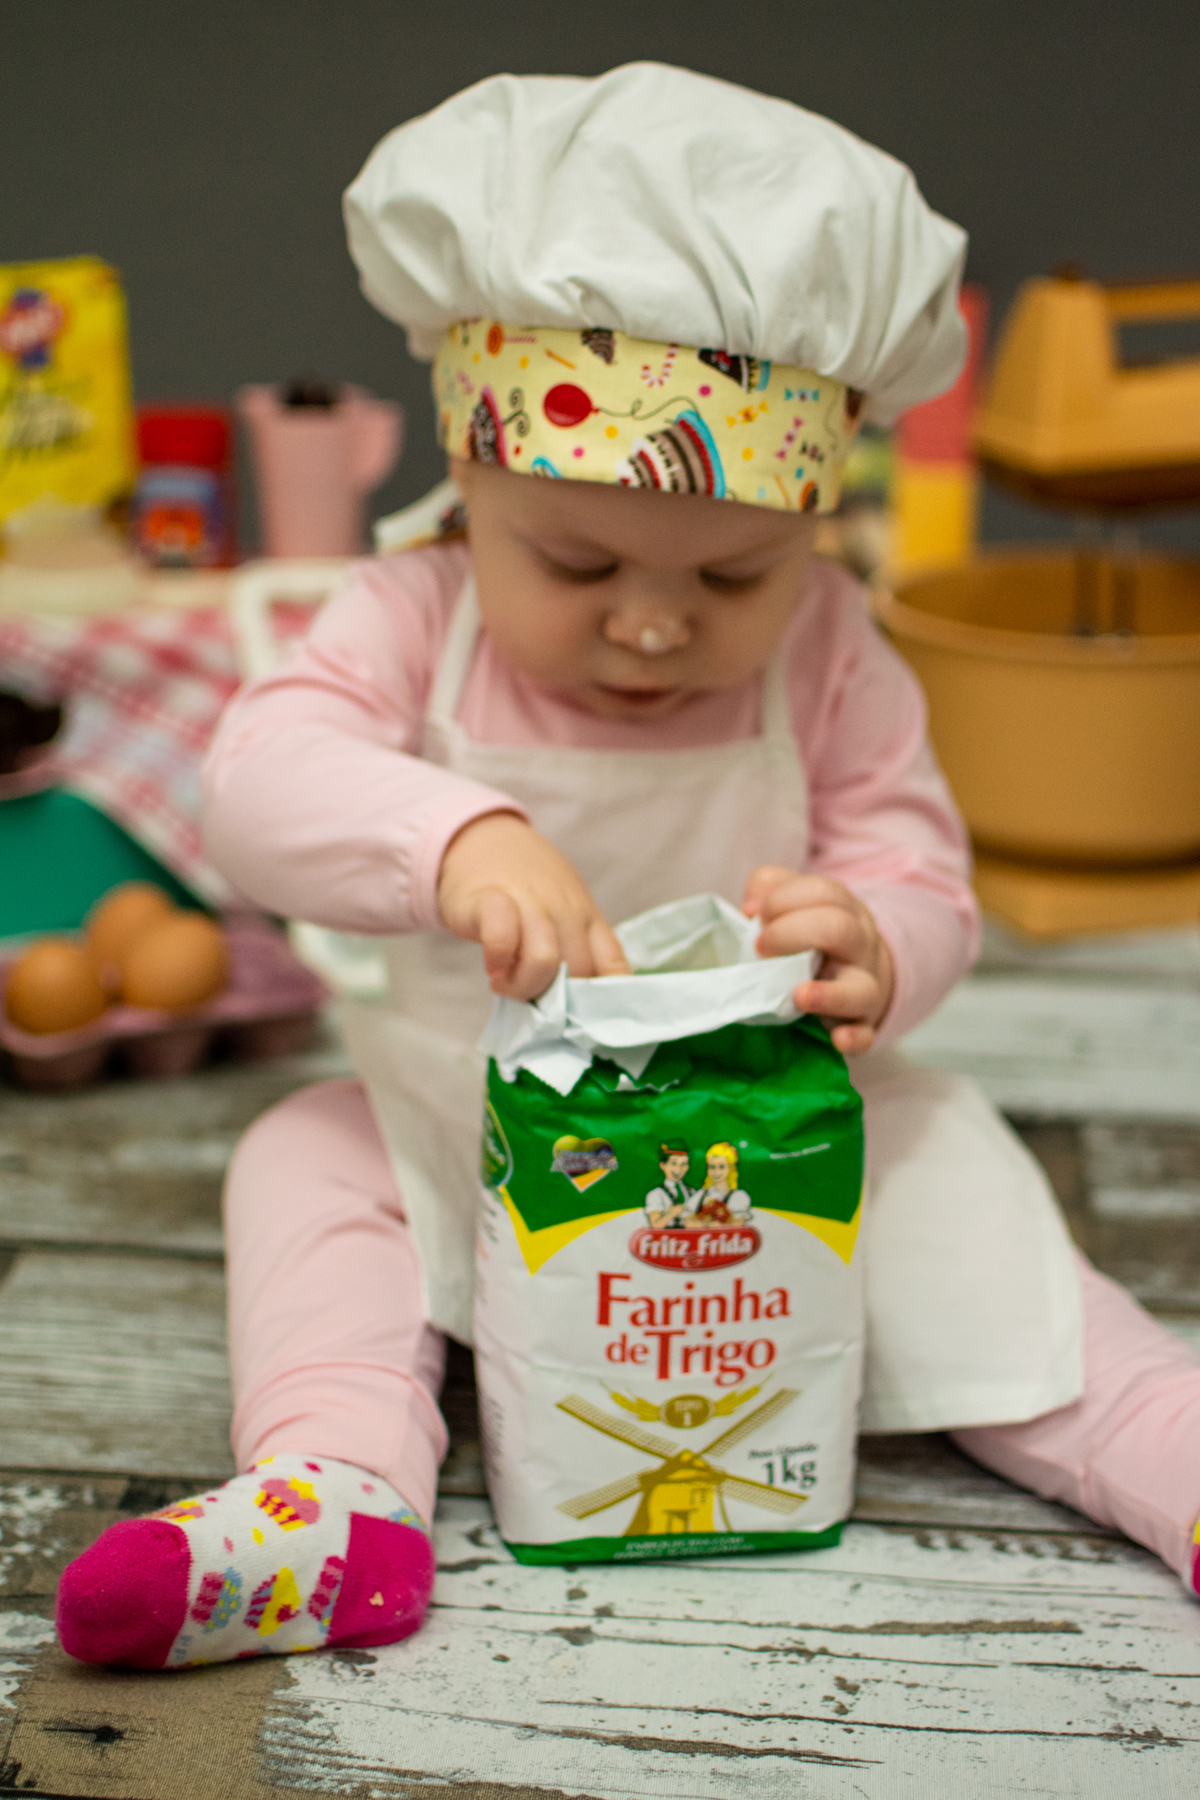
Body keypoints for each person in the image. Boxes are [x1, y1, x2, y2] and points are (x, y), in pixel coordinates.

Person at [55, 64, 1200, 1672]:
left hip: (773, 1134)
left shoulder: (834, 645)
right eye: (577, 560)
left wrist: (882, 938)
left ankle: (1169, 1450)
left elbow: (919, 856)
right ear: (470, 484)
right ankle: (337, 1493)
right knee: (306, 1159)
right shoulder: (415, 611)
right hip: (472, 1110)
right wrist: (454, 833)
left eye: (734, 577)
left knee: (973, 1213)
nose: (655, 624)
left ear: (816, 533)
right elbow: (251, 784)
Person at [685, 1142, 752, 1228]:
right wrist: (708, 1224)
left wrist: (718, 1225)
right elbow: (687, 1222)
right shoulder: (700, 1195)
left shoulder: (739, 1196)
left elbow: (738, 1224)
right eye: (712, 1167)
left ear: (730, 1168)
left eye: (721, 1167)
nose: (716, 1171)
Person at [644, 1141, 694, 1227]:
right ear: (663, 1165)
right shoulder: (656, 1194)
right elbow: (655, 1226)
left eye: (683, 1164)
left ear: (687, 1167)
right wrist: (671, 1213)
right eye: (673, 1163)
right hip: (666, 1235)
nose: (678, 1169)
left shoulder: (692, 1192)